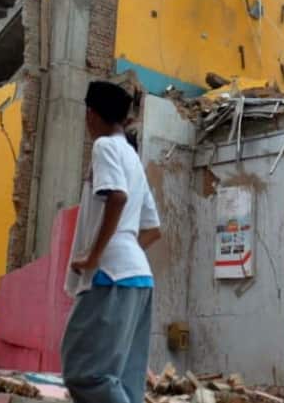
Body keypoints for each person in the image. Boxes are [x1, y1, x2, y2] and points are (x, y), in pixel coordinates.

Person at [62, 80, 162, 403]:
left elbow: (116, 197)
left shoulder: (104, 147)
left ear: (91, 114)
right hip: (139, 276)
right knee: (127, 382)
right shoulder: (132, 157)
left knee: (85, 373)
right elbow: (153, 228)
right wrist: (125, 250)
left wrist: (95, 256)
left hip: (111, 275)